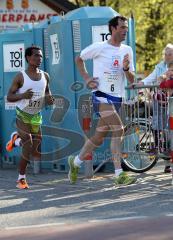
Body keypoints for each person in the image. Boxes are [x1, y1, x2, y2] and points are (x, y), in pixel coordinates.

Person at [68, 16, 136, 185]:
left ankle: (75, 163)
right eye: (121, 27)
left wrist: (126, 68)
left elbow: (132, 80)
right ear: (113, 29)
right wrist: (86, 78)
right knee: (119, 129)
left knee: (98, 138)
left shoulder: (127, 50)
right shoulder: (99, 47)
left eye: (126, 27)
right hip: (101, 96)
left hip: (117, 98)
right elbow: (79, 59)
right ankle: (119, 174)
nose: (125, 30)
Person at [6, 45, 54, 189]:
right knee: (29, 143)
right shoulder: (21, 76)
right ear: (28, 58)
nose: (39, 58)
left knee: (36, 148)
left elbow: (47, 92)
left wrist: (49, 99)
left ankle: (16, 140)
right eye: (35, 56)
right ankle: (21, 178)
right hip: (22, 114)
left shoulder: (45, 76)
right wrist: (23, 95)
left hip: (36, 115)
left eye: (40, 56)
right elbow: (9, 96)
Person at [137, 44, 173, 173]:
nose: (167, 56)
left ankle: (168, 159)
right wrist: (141, 83)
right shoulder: (159, 66)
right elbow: (151, 78)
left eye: (170, 54)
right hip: (160, 103)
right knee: (159, 127)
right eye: (166, 54)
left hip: (171, 103)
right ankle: (165, 159)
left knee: (169, 131)